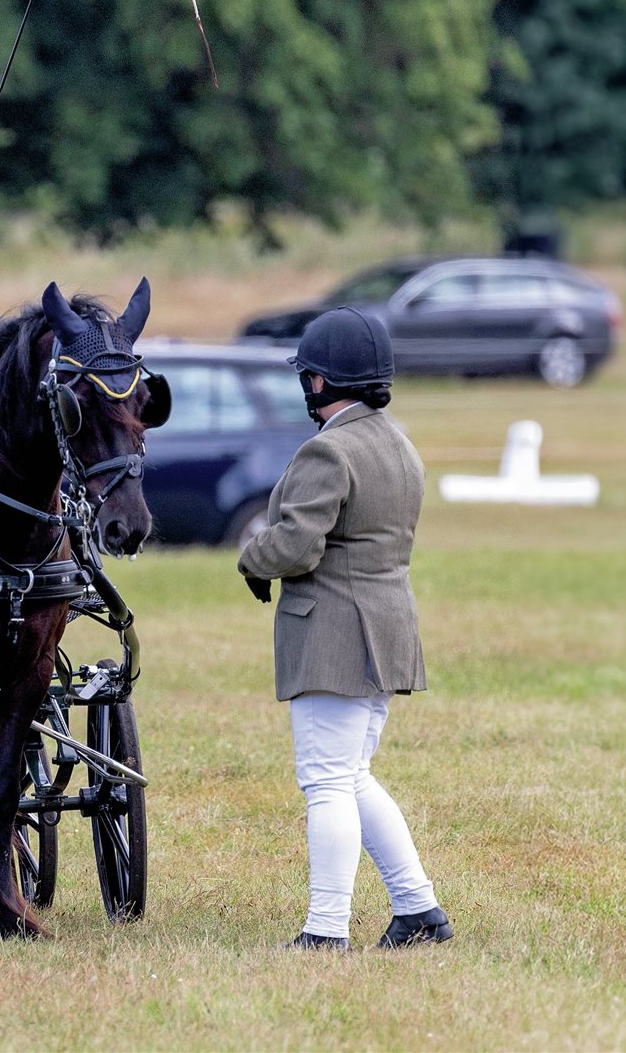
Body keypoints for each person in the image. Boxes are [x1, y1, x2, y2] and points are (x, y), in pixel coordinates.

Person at [238, 307, 451, 952]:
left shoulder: (329, 449)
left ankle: (325, 931)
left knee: (326, 782)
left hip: (334, 633)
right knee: (351, 775)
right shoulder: (397, 443)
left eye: (308, 378)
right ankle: (418, 909)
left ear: (321, 383)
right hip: (387, 629)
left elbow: (298, 546)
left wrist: (252, 557)